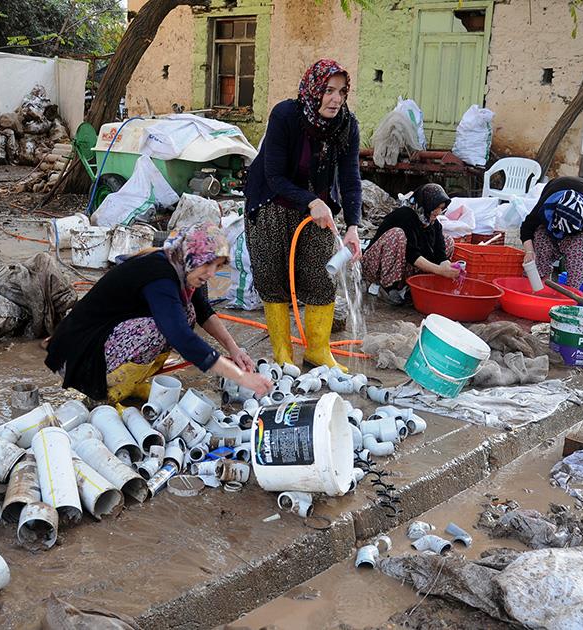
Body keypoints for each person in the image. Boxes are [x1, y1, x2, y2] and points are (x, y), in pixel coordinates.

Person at [44, 223, 272, 404]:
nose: (212, 273)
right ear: (193, 254)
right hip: (78, 356)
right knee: (159, 329)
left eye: (218, 266)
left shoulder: (184, 267)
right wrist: (241, 377)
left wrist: (235, 350)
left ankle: (131, 381)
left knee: (189, 311)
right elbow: (180, 337)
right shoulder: (160, 276)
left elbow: (203, 311)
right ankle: (106, 391)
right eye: (208, 264)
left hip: (100, 339)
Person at [244, 58, 362, 371]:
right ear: (313, 90)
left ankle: (318, 351)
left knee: (321, 277)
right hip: (271, 203)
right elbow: (273, 175)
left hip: (317, 210)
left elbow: (350, 178)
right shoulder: (285, 115)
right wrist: (310, 200)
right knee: (274, 277)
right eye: (328, 90)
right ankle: (283, 354)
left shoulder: (346, 124)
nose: (335, 99)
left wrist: (352, 226)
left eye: (341, 91)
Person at [361, 183, 458, 305]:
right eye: (436, 207)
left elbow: (441, 255)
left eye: (441, 208)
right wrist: (439, 270)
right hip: (376, 266)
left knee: (448, 240)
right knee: (397, 235)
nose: (438, 212)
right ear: (426, 205)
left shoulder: (434, 224)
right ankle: (387, 287)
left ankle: (410, 287)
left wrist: (448, 268)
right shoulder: (405, 215)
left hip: (402, 266)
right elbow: (412, 254)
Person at [520, 176, 583, 289]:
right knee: (542, 240)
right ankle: (541, 283)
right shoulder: (546, 206)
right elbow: (526, 228)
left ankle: (571, 292)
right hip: (555, 189)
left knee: (578, 248)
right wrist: (529, 252)